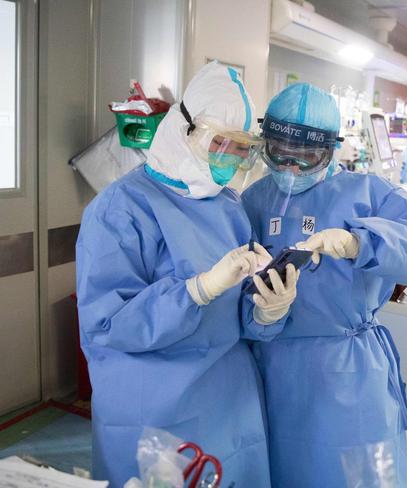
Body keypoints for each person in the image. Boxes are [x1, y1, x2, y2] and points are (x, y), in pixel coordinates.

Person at [76, 62, 296, 486]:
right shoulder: (121, 209)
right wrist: (196, 291)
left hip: (230, 402)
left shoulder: (228, 206)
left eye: (241, 149)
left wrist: (267, 311)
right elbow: (107, 324)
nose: (230, 159)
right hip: (155, 408)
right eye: (221, 144)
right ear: (184, 130)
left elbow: (240, 312)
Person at [241, 83, 407, 487]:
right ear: (265, 142)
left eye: (308, 157)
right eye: (280, 153)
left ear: (332, 150)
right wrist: (265, 312)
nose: (292, 169)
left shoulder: (366, 193)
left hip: (349, 373)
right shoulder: (254, 199)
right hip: (272, 370)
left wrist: (360, 242)